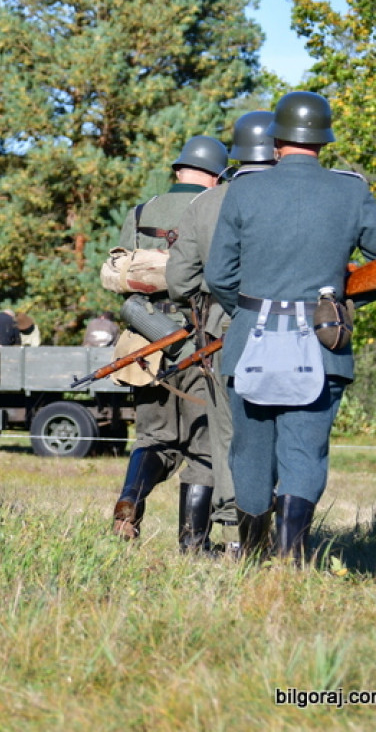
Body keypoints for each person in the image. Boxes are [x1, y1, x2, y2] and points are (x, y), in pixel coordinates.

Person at [205, 91, 376, 563]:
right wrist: (345, 296)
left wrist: (247, 312)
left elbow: (218, 276)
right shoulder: (352, 190)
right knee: (305, 453)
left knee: (251, 455)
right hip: (323, 343)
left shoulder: (243, 189)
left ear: (276, 138)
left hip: (249, 341)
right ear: (323, 139)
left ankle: (254, 553)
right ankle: (290, 554)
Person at [108, 135, 228, 552]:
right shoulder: (218, 206)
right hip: (203, 340)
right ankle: (193, 543)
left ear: (179, 169)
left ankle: (130, 500)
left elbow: (120, 279)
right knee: (203, 445)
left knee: (153, 438)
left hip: (147, 342)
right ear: (215, 174)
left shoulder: (141, 212)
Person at [166, 111, 277, 554]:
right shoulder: (293, 197)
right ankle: (284, 532)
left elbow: (179, 282)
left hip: (222, 329)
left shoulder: (207, 203)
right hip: (294, 325)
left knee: (230, 434)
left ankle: (240, 533)